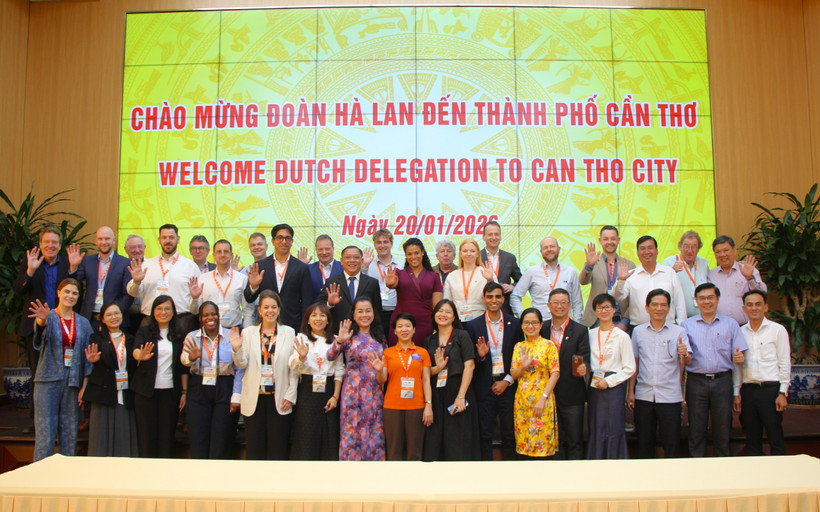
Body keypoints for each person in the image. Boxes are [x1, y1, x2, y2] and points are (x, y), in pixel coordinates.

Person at [27, 278, 92, 461]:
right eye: (67, 292)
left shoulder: (83, 323)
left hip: (72, 383)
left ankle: (65, 481)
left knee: (70, 435)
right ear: (58, 293)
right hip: (47, 381)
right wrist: (41, 322)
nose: (70, 296)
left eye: (74, 293)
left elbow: (88, 357)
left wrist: (84, 384)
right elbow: (38, 341)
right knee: (45, 435)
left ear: (78, 297)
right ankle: (40, 480)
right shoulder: (49, 316)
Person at [230, 290, 298, 460]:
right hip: (255, 398)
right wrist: (237, 349)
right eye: (266, 307)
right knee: (255, 449)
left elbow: (293, 368)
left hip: (280, 397)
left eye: (274, 307)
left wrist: (291, 395)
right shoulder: (248, 333)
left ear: (279, 309)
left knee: (278, 449)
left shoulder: (289, 332)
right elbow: (242, 363)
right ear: (259, 310)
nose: (270, 311)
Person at [14, 227, 82, 396]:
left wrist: (73, 269)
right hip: (36, 325)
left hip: (63, 326)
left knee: (62, 373)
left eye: (54, 242)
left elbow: (77, 293)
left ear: (59, 246)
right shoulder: (31, 262)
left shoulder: (68, 263)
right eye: (47, 242)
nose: (50, 245)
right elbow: (18, 291)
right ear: (40, 244)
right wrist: (30, 270)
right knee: (37, 373)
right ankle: (36, 419)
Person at [682, 283, 747, 457]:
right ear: (696, 301)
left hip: (723, 381)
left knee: (723, 428)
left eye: (711, 297)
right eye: (702, 298)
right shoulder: (686, 325)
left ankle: (723, 469)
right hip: (696, 381)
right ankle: (697, 467)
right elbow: (684, 357)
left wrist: (740, 358)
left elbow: (739, 354)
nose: (707, 302)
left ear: (717, 299)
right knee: (696, 427)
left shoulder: (731, 324)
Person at [627, 289, 691, 459]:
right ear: (647, 308)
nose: (659, 308)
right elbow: (635, 363)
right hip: (644, 395)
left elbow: (687, 362)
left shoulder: (679, 332)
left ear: (669, 308)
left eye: (663, 304)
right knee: (644, 442)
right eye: (654, 304)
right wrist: (631, 391)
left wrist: (684, 354)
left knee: (671, 443)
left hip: (670, 395)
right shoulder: (638, 332)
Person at [181, 301, 244, 459]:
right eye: (206, 315)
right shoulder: (192, 337)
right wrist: (190, 357)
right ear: (200, 318)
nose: (210, 318)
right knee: (198, 437)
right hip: (198, 388)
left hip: (224, 387)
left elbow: (240, 368)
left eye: (213, 314)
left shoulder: (231, 336)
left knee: (221, 439)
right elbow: (183, 359)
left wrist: (236, 395)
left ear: (219, 316)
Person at [465, 282, 522, 460]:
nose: (494, 300)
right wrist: (480, 355)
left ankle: (510, 473)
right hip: (484, 387)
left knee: (509, 433)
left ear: (503, 299)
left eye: (498, 296)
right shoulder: (473, 326)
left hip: (508, 385)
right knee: (485, 434)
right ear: (484, 299)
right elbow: (470, 359)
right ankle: (485, 475)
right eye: (489, 297)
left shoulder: (515, 324)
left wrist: (507, 381)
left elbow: (519, 357)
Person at [326, 298, 386, 460]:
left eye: (368, 310)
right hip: (353, 396)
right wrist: (339, 340)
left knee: (374, 436)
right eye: (360, 311)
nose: (364, 315)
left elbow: (383, 375)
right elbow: (330, 356)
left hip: (374, 396)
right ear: (353, 314)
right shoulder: (349, 336)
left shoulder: (380, 338)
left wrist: (380, 371)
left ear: (374, 313)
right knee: (351, 437)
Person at [131, 295, 188, 458]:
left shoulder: (179, 333)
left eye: (167, 308)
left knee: (167, 436)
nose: (163, 312)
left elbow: (183, 366)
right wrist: (139, 355)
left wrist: (184, 392)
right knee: (146, 436)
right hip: (146, 392)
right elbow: (135, 350)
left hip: (170, 392)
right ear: (153, 311)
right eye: (159, 309)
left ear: (173, 312)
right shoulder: (144, 331)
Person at [735, 290, 790, 456]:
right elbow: (737, 365)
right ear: (744, 308)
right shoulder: (740, 332)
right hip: (749, 390)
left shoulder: (777, 330)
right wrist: (736, 392)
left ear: (766, 307)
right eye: (749, 305)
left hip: (771, 390)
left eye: (758, 304)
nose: (754, 308)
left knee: (775, 435)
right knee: (752, 437)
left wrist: (783, 392)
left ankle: (780, 476)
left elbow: (784, 362)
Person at [424, 300, 480, 461]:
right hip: (436, 392)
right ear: (434, 315)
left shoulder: (462, 336)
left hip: (458, 389)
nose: (443, 315)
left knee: (458, 438)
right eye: (440, 311)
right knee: (436, 439)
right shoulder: (430, 340)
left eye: (448, 312)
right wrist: (438, 367)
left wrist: (461, 396)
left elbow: (469, 366)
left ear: (454, 316)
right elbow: (428, 372)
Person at [289, 303, 345, 460]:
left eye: (322, 315)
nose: (318, 319)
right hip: (307, 391)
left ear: (328, 320)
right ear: (307, 320)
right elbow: (293, 366)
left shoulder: (335, 340)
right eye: (313, 315)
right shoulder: (301, 339)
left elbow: (339, 370)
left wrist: (335, 396)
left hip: (328, 392)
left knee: (328, 435)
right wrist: (301, 357)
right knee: (306, 435)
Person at [82, 301, 138, 457]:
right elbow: (94, 359)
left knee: (125, 433)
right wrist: (93, 360)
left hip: (126, 393)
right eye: (109, 315)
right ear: (103, 319)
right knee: (102, 439)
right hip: (104, 394)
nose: (114, 317)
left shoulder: (131, 338)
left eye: (117, 313)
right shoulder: (96, 338)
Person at [539, 288, 590, 460]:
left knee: (575, 441)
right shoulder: (541, 328)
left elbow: (585, 358)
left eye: (563, 303)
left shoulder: (580, 330)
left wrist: (585, 368)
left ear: (569, 305)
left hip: (572, 395)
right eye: (555, 303)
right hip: (547, 396)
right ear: (548, 305)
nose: (559, 306)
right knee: (553, 441)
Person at [375, 313, 433, 461]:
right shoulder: (387, 353)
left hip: (416, 406)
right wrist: (379, 370)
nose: (404, 329)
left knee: (415, 451)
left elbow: (426, 380)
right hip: (392, 406)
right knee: (394, 451)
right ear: (394, 331)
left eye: (408, 326)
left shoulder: (422, 352)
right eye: (400, 326)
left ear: (414, 330)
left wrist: (428, 405)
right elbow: (382, 380)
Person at [586, 293, 636, 459]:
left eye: (608, 307)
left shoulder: (622, 336)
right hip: (594, 384)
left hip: (614, 386)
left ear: (614, 309)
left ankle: (615, 461)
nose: (604, 310)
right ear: (595, 311)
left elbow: (630, 368)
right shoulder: (590, 334)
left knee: (614, 427)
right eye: (600, 307)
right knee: (596, 425)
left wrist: (609, 381)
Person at [127, 224, 200, 334]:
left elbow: (197, 297)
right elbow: (134, 293)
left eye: (171, 237)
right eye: (164, 237)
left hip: (181, 321)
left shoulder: (190, 266)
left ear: (178, 239)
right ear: (159, 240)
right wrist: (136, 282)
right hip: (150, 321)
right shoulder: (147, 265)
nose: (168, 241)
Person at [509, 308, 560, 459]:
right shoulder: (519, 347)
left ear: (541, 325)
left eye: (534, 323)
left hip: (542, 401)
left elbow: (555, 373)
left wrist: (543, 398)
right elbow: (514, 374)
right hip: (523, 402)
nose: (530, 326)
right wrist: (523, 367)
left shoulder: (548, 345)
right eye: (526, 323)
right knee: (525, 446)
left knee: (543, 445)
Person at [244, 224, 313, 331]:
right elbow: (249, 298)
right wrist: (253, 286)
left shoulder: (301, 267)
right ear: (273, 241)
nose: (284, 241)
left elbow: (307, 302)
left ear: (292, 241)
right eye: (280, 238)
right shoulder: (261, 266)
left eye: (288, 238)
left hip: (293, 325)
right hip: (266, 325)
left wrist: (304, 329)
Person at [612, 235, 687, 329]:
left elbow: (679, 301)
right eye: (642, 249)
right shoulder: (631, 275)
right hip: (639, 329)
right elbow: (618, 297)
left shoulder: (670, 272)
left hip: (668, 328)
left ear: (657, 251)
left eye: (650, 248)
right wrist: (620, 281)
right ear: (637, 253)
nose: (647, 252)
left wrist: (681, 326)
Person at [384, 238, 443, 346]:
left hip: (425, 323)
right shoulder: (398, 273)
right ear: (406, 255)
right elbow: (392, 284)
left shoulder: (433, 276)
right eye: (409, 254)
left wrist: (437, 325)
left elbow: (437, 306)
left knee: (423, 357)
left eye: (416, 253)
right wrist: (389, 283)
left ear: (423, 253)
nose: (413, 257)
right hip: (402, 323)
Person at [76, 226, 134, 332]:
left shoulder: (125, 263)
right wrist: (73, 267)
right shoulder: (87, 261)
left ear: (114, 240)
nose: (104, 242)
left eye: (107, 239)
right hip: (90, 318)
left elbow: (128, 295)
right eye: (100, 239)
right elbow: (75, 284)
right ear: (96, 241)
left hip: (114, 320)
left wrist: (115, 313)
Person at [511, 237, 582, 322]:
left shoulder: (570, 272)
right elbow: (515, 296)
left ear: (559, 249)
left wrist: (576, 325)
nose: (549, 250)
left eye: (552, 246)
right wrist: (525, 317)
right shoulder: (531, 272)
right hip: (541, 326)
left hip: (565, 325)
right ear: (541, 252)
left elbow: (577, 302)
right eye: (545, 247)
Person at [318, 245, 382, 335]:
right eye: (348, 257)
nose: (352, 260)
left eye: (356, 257)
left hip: (364, 335)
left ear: (362, 261)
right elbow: (318, 307)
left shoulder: (372, 283)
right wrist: (329, 304)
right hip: (337, 334)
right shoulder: (332, 282)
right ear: (341, 261)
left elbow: (377, 311)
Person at [579, 225, 634, 330]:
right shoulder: (594, 261)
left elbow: (634, 297)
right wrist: (589, 266)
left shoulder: (628, 264)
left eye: (613, 239)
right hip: (597, 319)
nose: (609, 242)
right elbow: (583, 281)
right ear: (600, 240)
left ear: (618, 240)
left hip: (620, 319)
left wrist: (625, 321)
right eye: (606, 239)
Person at [189, 239, 251, 330]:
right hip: (209, 330)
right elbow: (194, 311)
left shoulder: (242, 279)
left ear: (231, 255)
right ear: (214, 255)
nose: (222, 255)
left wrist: (246, 334)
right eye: (219, 252)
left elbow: (248, 310)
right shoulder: (203, 279)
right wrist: (194, 299)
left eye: (226, 251)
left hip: (233, 330)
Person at [708, 235, 767, 325]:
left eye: (726, 250)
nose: (722, 254)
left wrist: (750, 278)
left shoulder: (747, 269)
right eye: (718, 252)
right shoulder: (711, 274)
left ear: (734, 250)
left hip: (745, 326)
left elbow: (762, 294)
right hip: (720, 326)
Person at [442, 239, 495, 322]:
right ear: (460, 254)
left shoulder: (486, 272)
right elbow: (447, 302)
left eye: (472, 251)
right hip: (457, 321)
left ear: (478, 253)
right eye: (465, 251)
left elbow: (496, 296)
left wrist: (490, 280)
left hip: (481, 320)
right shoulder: (452, 276)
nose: (468, 254)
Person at [362, 228, 403, 331]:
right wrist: (364, 267)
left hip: (395, 311)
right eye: (379, 242)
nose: (382, 245)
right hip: (375, 313)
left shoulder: (401, 265)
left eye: (385, 242)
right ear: (375, 245)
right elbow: (361, 285)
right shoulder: (368, 265)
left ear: (391, 244)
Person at [661, 230, 709, 318]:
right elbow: (661, 286)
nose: (690, 251)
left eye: (694, 247)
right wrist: (672, 271)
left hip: (701, 317)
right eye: (686, 246)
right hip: (678, 318)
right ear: (680, 246)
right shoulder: (669, 262)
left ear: (698, 248)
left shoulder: (704, 263)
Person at [481, 221, 521, 317]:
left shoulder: (510, 258)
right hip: (482, 308)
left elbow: (521, 280)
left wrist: (513, 286)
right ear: (484, 237)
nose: (494, 238)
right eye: (490, 234)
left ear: (501, 237)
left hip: (505, 309)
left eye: (496, 234)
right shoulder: (477, 257)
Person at [299, 234, 344, 302]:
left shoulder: (343, 268)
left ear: (333, 249)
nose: (324, 252)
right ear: (316, 250)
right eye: (320, 249)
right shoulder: (308, 269)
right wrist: (300, 267)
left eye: (327, 249)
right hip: (315, 310)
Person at [124, 234, 146, 335]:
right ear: (125, 249)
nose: (137, 250)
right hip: (126, 316)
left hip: (147, 316)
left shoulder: (152, 266)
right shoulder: (120, 266)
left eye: (140, 246)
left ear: (144, 248)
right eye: (133, 247)